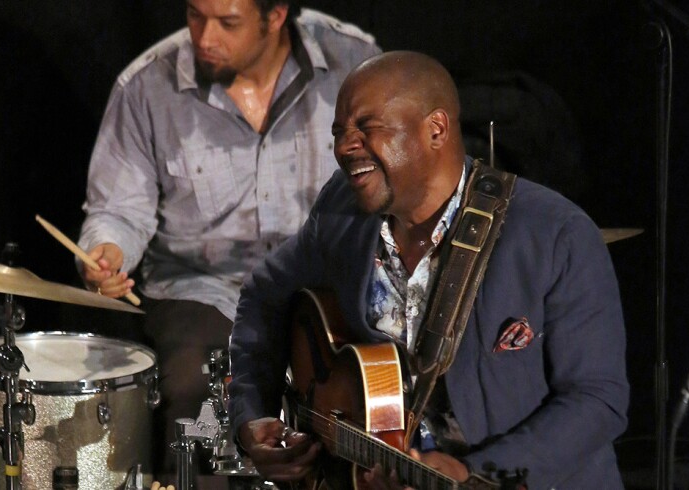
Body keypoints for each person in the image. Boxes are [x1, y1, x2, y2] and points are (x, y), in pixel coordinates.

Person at [228, 51, 629, 489]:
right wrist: (254, 416)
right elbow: (262, 296)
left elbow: (597, 402)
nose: (345, 147)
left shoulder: (556, 235)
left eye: (367, 127)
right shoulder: (341, 212)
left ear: (435, 129)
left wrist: (471, 471)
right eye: (339, 132)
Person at [77, 0, 380, 480]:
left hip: (323, 291)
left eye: (228, 22)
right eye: (195, 15)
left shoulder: (353, 62)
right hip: (202, 288)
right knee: (199, 394)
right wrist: (108, 252)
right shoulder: (146, 86)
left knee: (372, 389)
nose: (204, 36)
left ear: (276, 15)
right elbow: (117, 209)